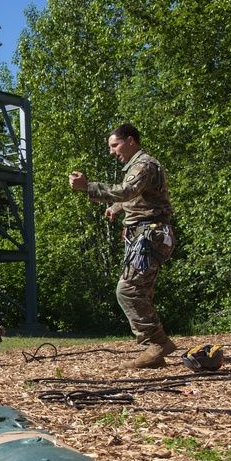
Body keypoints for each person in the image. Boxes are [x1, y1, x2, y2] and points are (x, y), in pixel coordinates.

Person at [70, 123, 177, 368]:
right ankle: (155, 352)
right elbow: (139, 197)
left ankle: (157, 342)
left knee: (128, 290)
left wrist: (89, 187)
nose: (111, 152)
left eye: (114, 145)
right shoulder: (138, 166)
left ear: (131, 141)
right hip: (146, 235)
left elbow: (129, 190)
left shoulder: (144, 164)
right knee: (141, 291)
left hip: (150, 235)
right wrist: (117, 208)